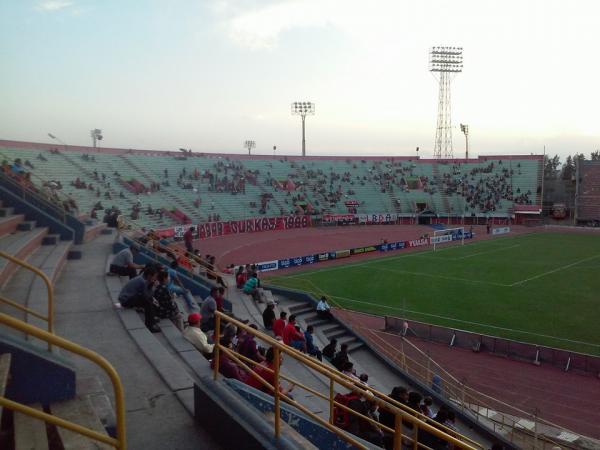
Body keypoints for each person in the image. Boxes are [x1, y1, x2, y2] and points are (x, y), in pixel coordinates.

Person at [118, 265, 160, 332]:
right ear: (149, 275)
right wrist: (153, 287)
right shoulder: (142, 281)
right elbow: (147, 295)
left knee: (148, 300)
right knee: (147, 301)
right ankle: (150, 325)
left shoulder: (142, 279)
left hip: (127, 298)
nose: (155, 278)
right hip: (126, 301)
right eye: (154, 276)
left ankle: (152, 318)